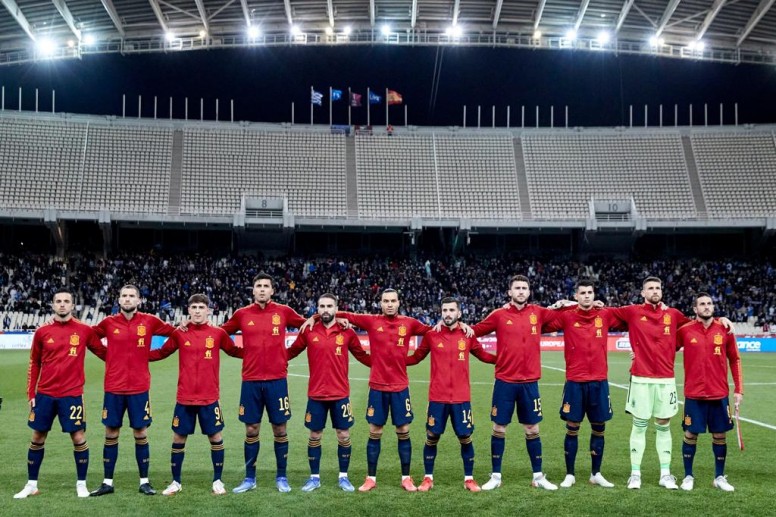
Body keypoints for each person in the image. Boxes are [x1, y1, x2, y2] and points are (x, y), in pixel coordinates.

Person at [472, 275, 562, 491]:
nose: (521, 291)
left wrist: (569, 303)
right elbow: (472, 332)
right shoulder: (499, 315)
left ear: (529, 292)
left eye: (524, 288)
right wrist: (488, 357)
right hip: (505, 381)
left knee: (532, 428)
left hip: (530, 382)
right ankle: (495, 476)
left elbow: (564, 314)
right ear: (509, 292)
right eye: (517, 288)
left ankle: (538, 476)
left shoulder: (538, 313)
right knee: (499, 427)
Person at [336, 288, 432, 492]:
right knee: (375, 431)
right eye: (386, 301)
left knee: (403, 431)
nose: (389, 304)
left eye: (393, 300)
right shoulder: (372, 321)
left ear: (399, 303)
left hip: (400, 388)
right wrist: (324, 318)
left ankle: (406, 478)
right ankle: (371, 478)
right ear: (380, 303)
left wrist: (413, 359)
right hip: (377, 387)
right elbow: (341, 314)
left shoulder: (410, 323)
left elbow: (432, 331)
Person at [148, 294, 244, 496]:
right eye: (194, 307)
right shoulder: (179, 333)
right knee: (178, 438)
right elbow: (161, 353)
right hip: (185, 397)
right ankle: (176, 481)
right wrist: (133, 356)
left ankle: (217, 480)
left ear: (208, 310)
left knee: (215, 437)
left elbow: (235, 351)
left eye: (201, 307)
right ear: (188, 310)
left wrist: (261, 351)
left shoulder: (218, 334)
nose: (198, 311)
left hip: (210, 397)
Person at [14, 289, 106, 499]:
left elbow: (104, 353)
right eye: (58, 301)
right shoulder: (42, 332)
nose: (62, 304)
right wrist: (31, 393)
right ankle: (31, 484)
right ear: (53, 305)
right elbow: (34, 363)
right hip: (45, 394)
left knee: (78, 436)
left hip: (72, 394)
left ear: (72, 305)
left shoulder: (84, 330)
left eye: (66, 301)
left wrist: (130, 357)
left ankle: (81, 484)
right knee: (37, 436)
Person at [223, 272, 307, 494]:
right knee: (251, 429)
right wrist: (240, 353)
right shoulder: (242, 314)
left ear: (272, 290)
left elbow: (309, 325)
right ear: (253, 291)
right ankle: (250, 478)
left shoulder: (283, 311)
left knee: (280, 429)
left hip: (277, 380)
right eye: (258, 285)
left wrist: (288, 354)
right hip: (250, 381)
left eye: (266, 286)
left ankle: (282, 477)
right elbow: (219, 335)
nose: (261, 289)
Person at [89, 284, 177, 497]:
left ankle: (144, 482)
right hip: (114, 387)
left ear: (139, 301)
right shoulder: (109, 323)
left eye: (131, 296)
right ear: (119, 300)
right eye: (124, 296)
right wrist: (107, 356)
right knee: (111, 433)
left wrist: (155, 355)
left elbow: (176, 335)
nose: (127, 299)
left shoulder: (149, 321)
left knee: (140, 432)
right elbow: (88, 338)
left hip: (139, 388)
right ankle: (107, 482)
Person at [405, 297, 496, 492]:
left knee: (465, 437)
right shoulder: (432, 334)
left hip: (462, 398)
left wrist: (505, 358)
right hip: (437, 397)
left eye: (451, 310)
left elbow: (484, 356)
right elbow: (416, 358)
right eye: (444, 310)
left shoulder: (467, 335)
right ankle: (428, 478)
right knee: (432, 436)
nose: (447, 313)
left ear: (459, 313)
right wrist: (394, 360)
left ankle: (469, 479)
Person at [286, 293, 372, 492]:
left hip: (340, 394)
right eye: (321, 306)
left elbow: (361, 355)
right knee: (315, 434)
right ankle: (314, 477)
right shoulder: (308, 330)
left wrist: (385, 363)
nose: (325, 309)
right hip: (316, 394)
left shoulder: (347, 331)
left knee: (343, 435)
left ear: (336, 308)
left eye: (329, 306)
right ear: (317, 309)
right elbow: (290, 352)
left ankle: (343, 477)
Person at [542, 279, 623, 489]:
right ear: (576, 296)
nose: (587, 296)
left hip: (599, 382)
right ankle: (570, 474)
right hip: (575, 382)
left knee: (599, 428)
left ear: (594, 295)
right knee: (572, 428)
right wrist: (559, 304)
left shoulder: (604, 314)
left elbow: (631, 317)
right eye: (583, 293)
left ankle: (596, 473)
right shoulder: (567, 316)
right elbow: (540, 323)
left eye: (590, 292)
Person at [677, 293, 743, 492]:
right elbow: (664, 348)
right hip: (694, 394)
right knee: (690, 434)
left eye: (709, 304)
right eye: (702, 304)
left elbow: (735, 359)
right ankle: (688, 476)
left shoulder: (724, 329)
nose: (706, 307)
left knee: (720, 435)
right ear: (695, 309)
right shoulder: (685, 330)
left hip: (719, 394)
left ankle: (719, 477)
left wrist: (739, 389)